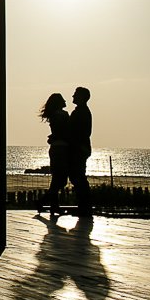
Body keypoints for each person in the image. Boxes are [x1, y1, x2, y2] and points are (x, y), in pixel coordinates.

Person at [37, 93, 71, 216]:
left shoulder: (54, 116)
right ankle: (44, 202)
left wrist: (52, 137)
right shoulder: (62, 115)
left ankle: (53, 206)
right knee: (60, 180)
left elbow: (57, 132)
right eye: (63, 99)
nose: (65, 100)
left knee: (57, 180)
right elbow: (65, 131)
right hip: (61, 149)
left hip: (56, 148)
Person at [68, 86, 93, 216]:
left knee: (78, 177)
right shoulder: (81, 111)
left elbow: (82, 132)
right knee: (77, 177)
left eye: (75, 94)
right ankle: (83, 206)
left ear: (82, 97)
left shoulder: (81, 112)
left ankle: (85, 206)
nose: (73, 96)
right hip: (79, 148)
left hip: (79, 148)